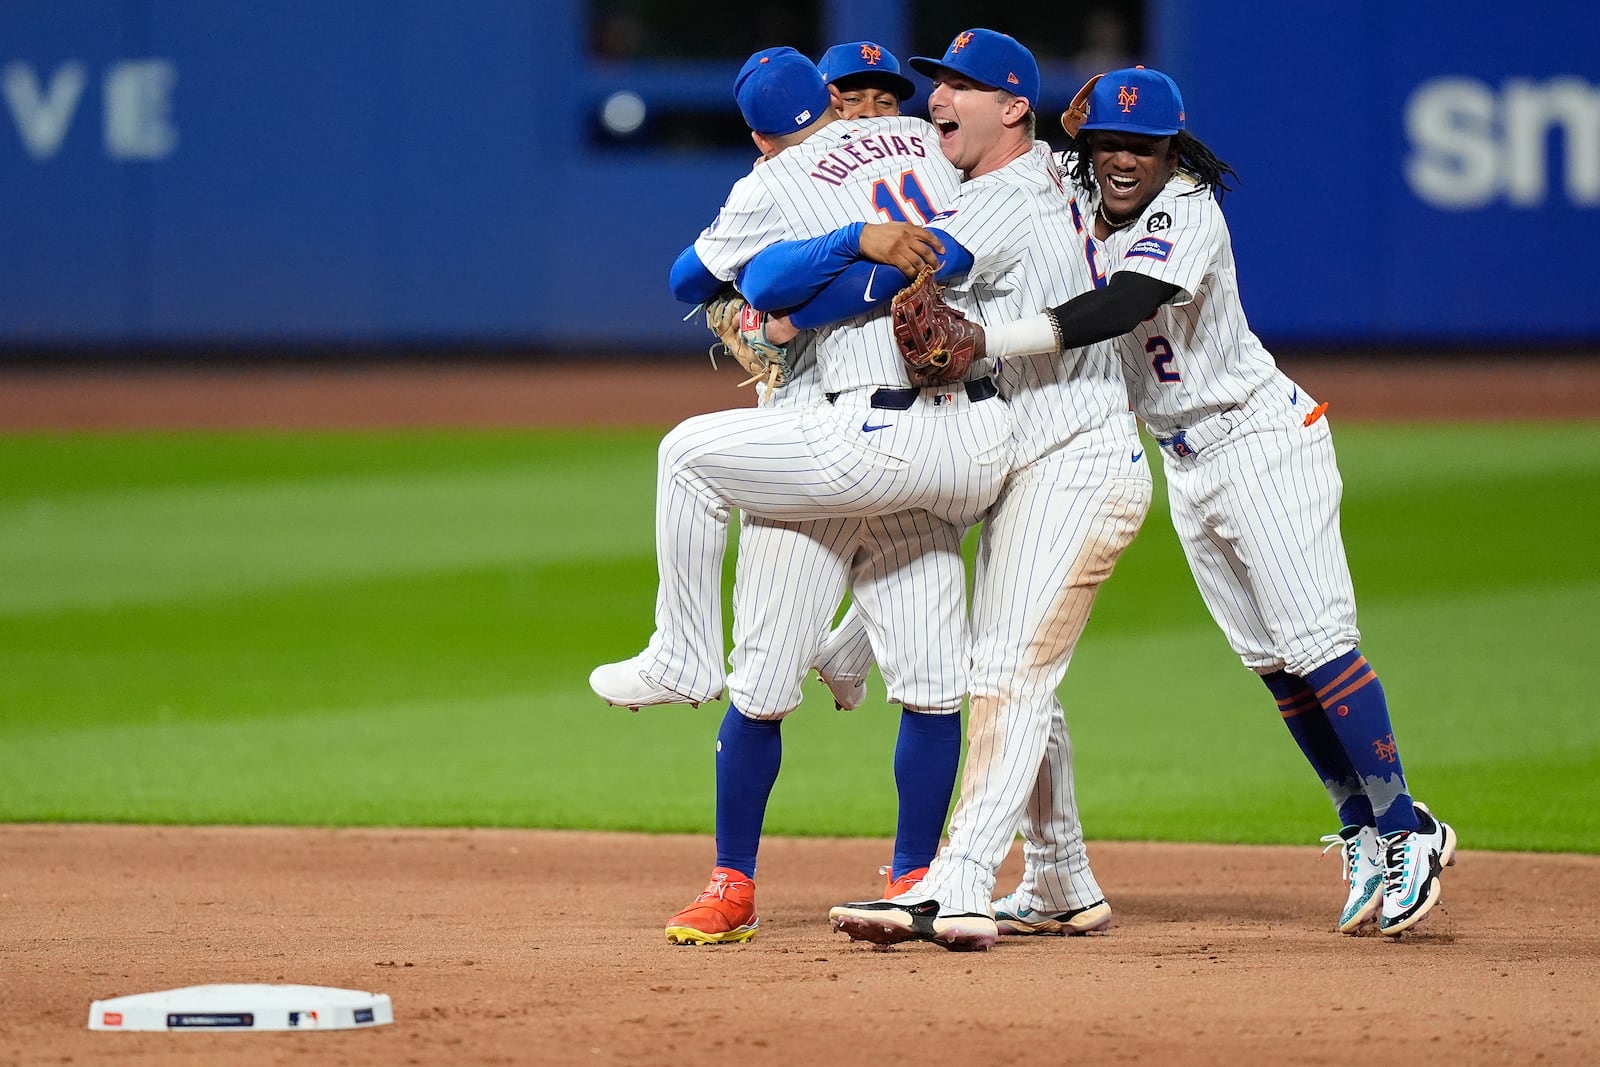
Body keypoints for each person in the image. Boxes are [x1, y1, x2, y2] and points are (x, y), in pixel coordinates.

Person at [948, 67, 1458, 936]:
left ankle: (1408, 822)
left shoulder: (1185, 208)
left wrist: (986, 339)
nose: (1123, 160)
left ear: (1171, 150)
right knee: (1274, 665)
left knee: (1318, 644)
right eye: (1109, 141)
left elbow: (1122, 305)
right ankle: (1360, 825)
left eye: (1143, 147)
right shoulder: (1078, 177)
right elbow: (1011, 161)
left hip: (1259, 439)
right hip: (1186, 461)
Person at [589, 47, 1013, 945]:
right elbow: (959, 248)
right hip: (952, 442)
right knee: (935, 691)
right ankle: (909, 875)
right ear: (828, 99)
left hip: (846, 436)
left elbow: (702, 284)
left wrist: (812, 283)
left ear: (752, 133)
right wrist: (861, 271)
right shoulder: (919, 140)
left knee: (694, 478)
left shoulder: (767, 181)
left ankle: (690, 693)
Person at [739, 29, 1151, 950]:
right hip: (1029, 458)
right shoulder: (1039, 172)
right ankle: (1060, 877)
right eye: (937, 84)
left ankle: (951, 883)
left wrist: (781, 304)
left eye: (959, 86)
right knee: (1020, 673)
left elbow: (895, 276)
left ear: (1012, 107)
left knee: (1004, 671)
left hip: (1074, 457)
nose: (935, 99)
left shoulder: (1002, 200)